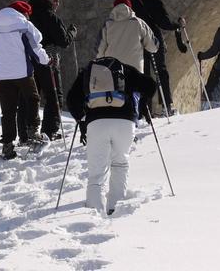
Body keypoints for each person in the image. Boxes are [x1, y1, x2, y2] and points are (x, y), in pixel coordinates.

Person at [66, 56, 157, 216]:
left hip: (96, 123)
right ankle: (115, 207)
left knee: (97, 172)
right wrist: (140, 99)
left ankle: (93, 212)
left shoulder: (89, 71)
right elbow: (150, 87)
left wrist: (82, 120)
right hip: (125, 122)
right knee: (120, 164)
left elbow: (71, 99)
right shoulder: (127, 69)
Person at [0, 0, 49, 160]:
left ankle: (7, 145)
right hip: (22, 72)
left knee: (8, 111)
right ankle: (33, 131)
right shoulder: (24, 25)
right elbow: (36, 47)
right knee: (33, 99)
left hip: (2, 76)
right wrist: (46, 60)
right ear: (23, 12)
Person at [28, 0, 77, 140]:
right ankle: (49, 131)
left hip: (30, 59)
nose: (57, 3)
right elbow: (63, 41)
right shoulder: (49, 16)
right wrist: (72, 32)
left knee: (32, 96)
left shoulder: (28, 15)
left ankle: (28, 132)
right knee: (54, 95)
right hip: (49, 59)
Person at [131, 0, 185, 115]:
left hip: (138, 41)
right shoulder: (154, 1)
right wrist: (177, 25)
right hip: (154, 40)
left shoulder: (133, 2)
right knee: (161, 71)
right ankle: (166, 106)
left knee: (143, 75)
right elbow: (164, 23)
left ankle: (144, 109)